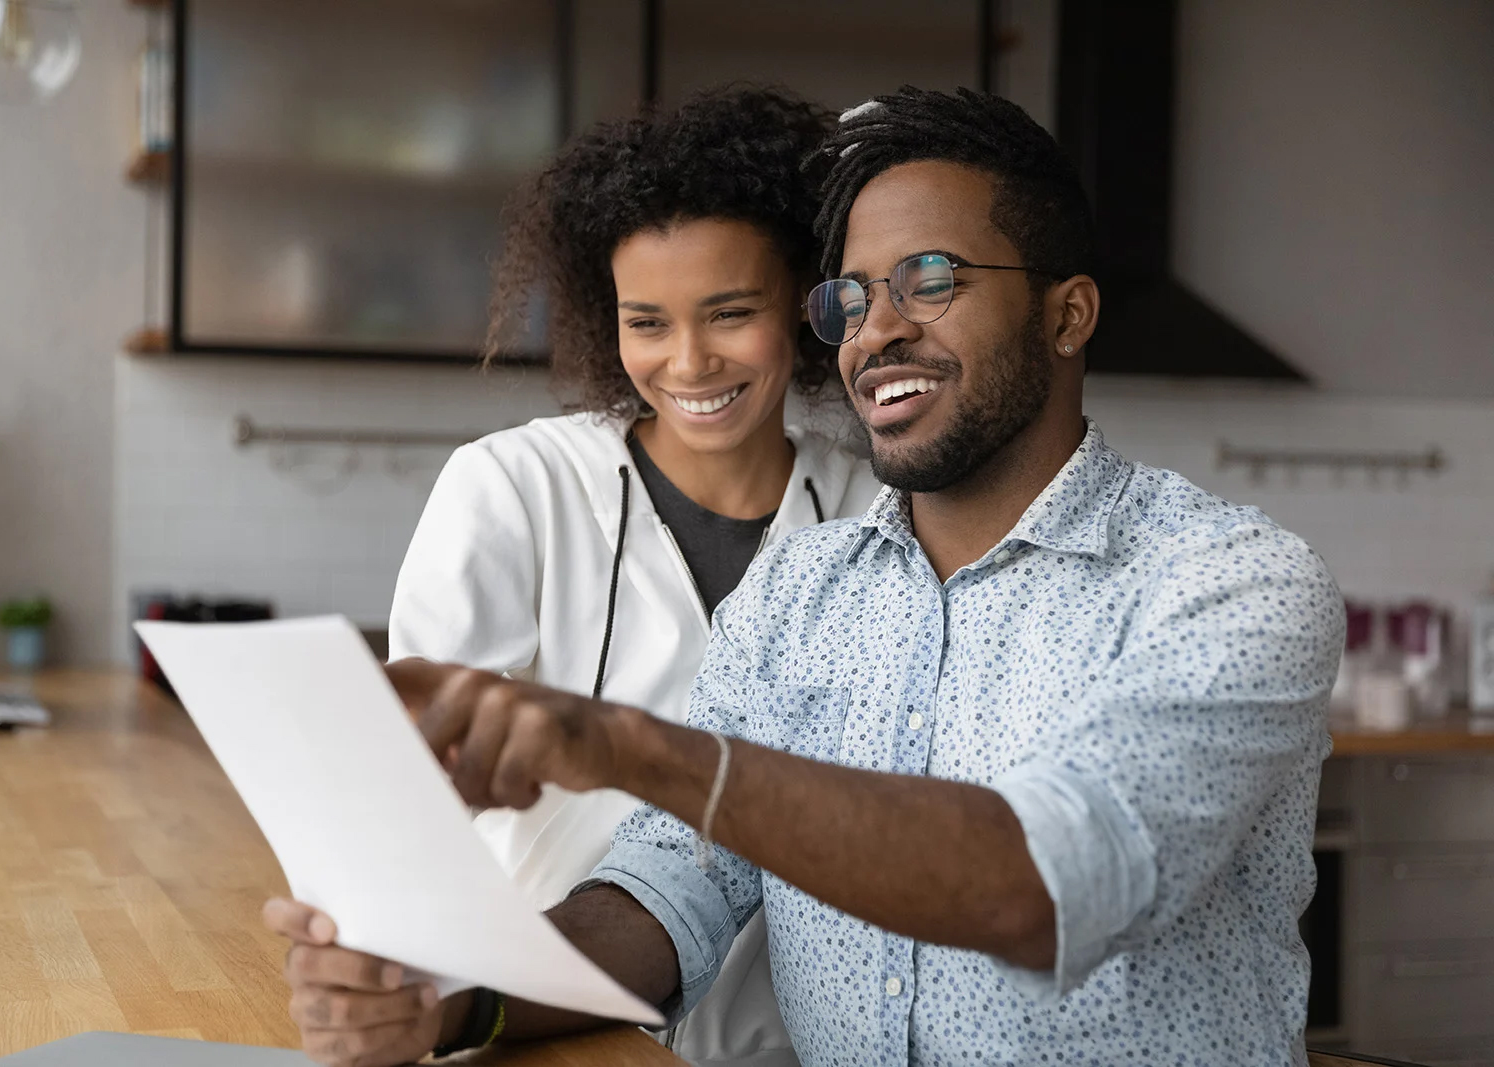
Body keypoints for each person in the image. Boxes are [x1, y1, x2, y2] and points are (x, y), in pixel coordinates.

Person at [266, 87, 1345, 1067]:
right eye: (851, 298)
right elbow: (672, 889)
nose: (877, 331)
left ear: (1067, 313)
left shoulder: (1227, 582)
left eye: (931, 279)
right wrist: (452, 998)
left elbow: (1053, 881)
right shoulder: (798, 591)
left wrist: (633, 746)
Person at [379, 86, 880, 1066]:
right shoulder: (513, 487)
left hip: (786, 1048)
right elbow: (415, 789)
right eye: (645, 321)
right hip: (536, 1030)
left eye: (730, 313)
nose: (688, 360)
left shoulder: (876, 518)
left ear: (802, 304)